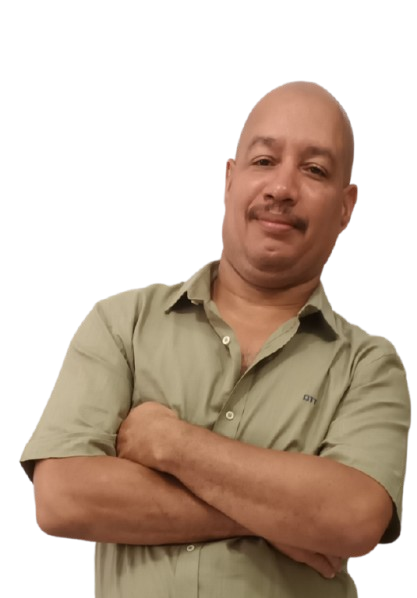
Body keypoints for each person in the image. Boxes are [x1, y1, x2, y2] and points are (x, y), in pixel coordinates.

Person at [19, 80, 411, 598]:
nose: (282, 188)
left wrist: (170, 443)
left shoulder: (370, 365)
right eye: (264, 161)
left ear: (346, 207)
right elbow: (62, 499)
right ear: (230, 178)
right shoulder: (122, 323)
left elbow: (354, 517)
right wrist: (284, 520)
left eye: (314, 170)